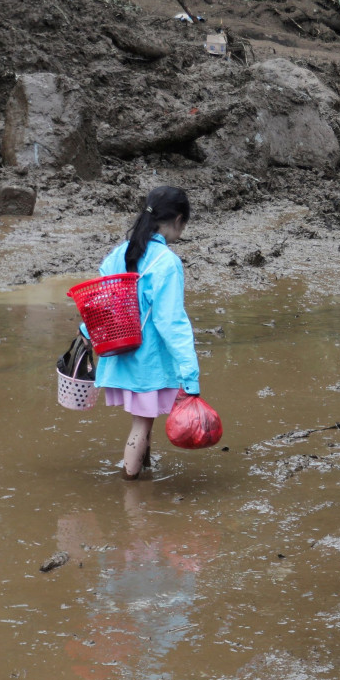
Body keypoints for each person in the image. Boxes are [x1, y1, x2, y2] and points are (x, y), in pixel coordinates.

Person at [89, 186, 201, 480]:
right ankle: (132, 490)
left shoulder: (119, 253)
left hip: (120, 353)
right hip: (148, 362)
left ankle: (144, 472)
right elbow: (171, 322)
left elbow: (98, 303)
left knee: (145, 421)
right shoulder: (167, 262)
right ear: (178, 221)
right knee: (141, 425)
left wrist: (85, 334)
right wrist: (190, 374)